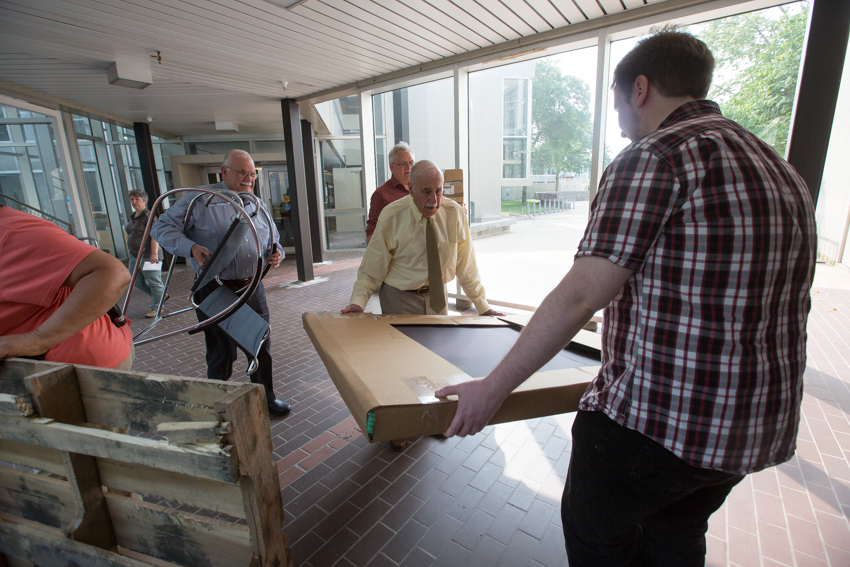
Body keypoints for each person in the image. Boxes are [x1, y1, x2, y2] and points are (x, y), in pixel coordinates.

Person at [435, 30, 816, 566]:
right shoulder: (780, 169)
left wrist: (491, 390)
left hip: (659, 428)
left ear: (640, 89)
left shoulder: (656, 158)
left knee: (597, 539)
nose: (618, 120)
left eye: (616, 103)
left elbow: (579, 297)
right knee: (674, 538)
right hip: (750, 433)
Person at [152, 149, 291, 417]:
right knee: (221, 350)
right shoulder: (199, 199)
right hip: (215, 288)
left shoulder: (256, 203)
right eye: (242, 172)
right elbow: (161, 228)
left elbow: (274, 240)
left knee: (260, 343)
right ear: (224, 171)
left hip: (251, 288)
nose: (249, 178)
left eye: (252, 174)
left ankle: (267, 397)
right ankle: (216, 401)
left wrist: (278, 253)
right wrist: (190, 247)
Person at [343, 160, 504, 318]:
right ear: (411, 189)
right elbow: (373, 264)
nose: (434, 200)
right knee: (401, 344)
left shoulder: (455, 213)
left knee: (438, 344)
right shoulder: (391, 216)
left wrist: (482, 305)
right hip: (399, 299)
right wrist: (359, 301)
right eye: (426, 192)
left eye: (439, 191)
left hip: (438, 299)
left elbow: (466, 264)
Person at [0, 204, 134, 369]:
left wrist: (40, 338)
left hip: (74, 363)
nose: (133, 202)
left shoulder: (15, 232)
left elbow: (113, 273)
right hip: (33, 367)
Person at [125, 189, 167, 318]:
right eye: (132, 199)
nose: (134, 202)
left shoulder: (148, 216)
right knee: (135, 281)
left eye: (137, 199)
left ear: (145, 201)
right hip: (134, 255)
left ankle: (156, 308)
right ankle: (161, 295)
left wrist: (154, 254)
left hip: (148, 255)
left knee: (154, 282)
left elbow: (154, 236)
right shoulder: (133, 217)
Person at [365, 142, 415, 243]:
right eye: (403, 164)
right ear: (391, 167)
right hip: (398, 254)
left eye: (411, 163)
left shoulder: (420, 188)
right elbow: (372, 232)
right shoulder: (381, 194)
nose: (408, 167)